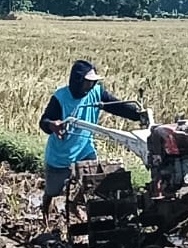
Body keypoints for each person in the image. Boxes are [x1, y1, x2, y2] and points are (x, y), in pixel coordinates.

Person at [38, 59, 144, 223]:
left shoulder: (96, 92)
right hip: (61, 154)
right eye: (88, 82)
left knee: (93, 180)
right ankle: (45, 211)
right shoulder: (60, 98)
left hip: (85, 148)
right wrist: (52, 125)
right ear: (77, 81)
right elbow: (44, 121)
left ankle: (74, 204)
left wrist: (138, 115)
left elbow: (117, 106)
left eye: (93, 82)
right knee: (53, 191)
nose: (92, 85)